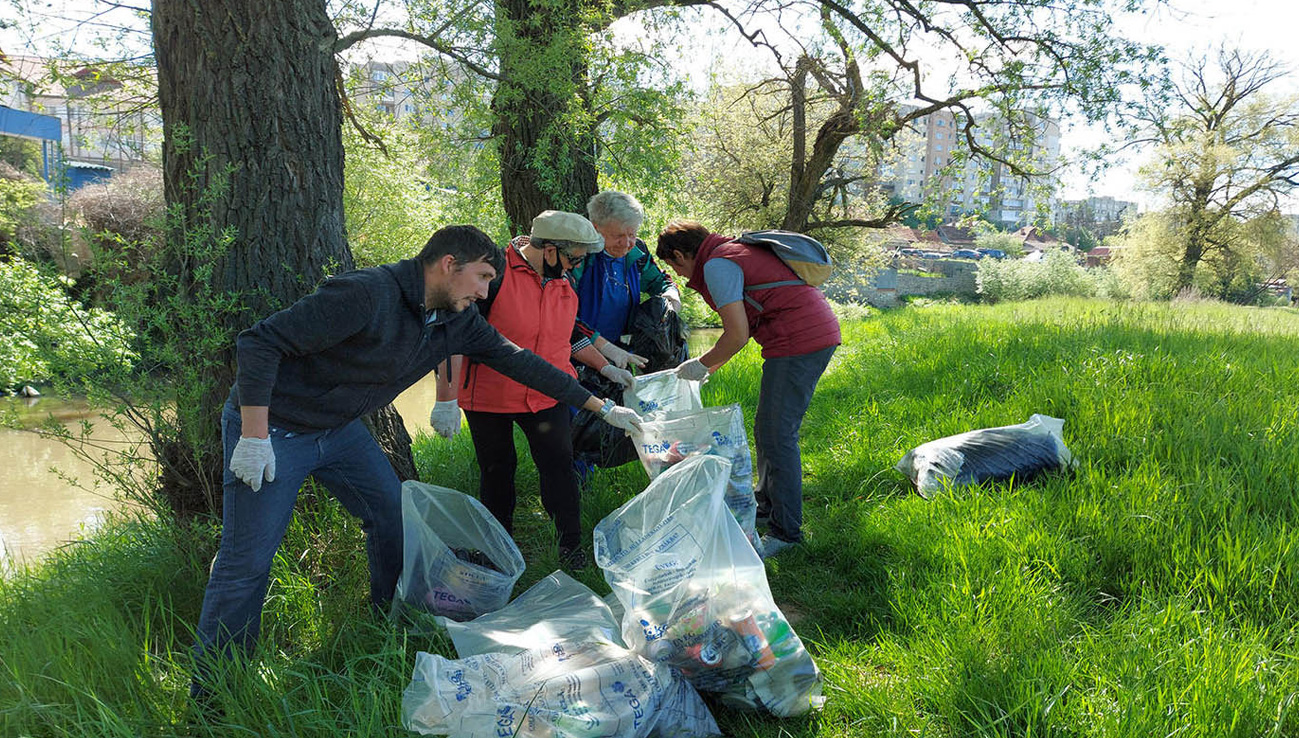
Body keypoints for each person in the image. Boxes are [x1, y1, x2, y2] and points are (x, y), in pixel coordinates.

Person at [196, 224, 642, 695]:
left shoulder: (456, 318)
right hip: (276, 431)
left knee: (392, 518)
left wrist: (602, 407)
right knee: (246, 561)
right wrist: (253, 434)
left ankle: (385, 618)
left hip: (341, 430)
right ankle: (214, 691)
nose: (486, 291)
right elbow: (259, 343)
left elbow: (522, 362)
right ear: (449, 265)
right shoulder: (365, 294)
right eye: (483, 278)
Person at [430, 211, 635, 570]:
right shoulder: (494, 276)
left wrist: (605, 364)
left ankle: (571, 550)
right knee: (497, 470)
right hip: (490, 396)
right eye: (573, 258)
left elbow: (566, 336)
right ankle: (497, 552)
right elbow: (454, 335)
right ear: (551, 250)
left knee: (559, 465)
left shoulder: (562, 282)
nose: (575, 267)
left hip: (546, 393)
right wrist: (445, 400)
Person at [656, 220, 840, 557]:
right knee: (768, 428)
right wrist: (709, 366)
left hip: (800, 341)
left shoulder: (717, 264)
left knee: (778, 435)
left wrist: (701, 364)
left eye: (674, 266)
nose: (680, 275)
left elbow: (737, 334)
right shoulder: (732, 251)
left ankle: (786, 534)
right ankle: (767, 505)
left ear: (681, 254)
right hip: (807, 334)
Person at [572, 190, 683, 370]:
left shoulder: (637, 253)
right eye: (618, 236)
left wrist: (671, 297)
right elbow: (563, 317)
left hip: (623, 354)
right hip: (578, 353)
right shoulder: (579, 257)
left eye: (631, 234)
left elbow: (661, 282)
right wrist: (605, 348)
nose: (626, 244)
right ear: (595, 228)